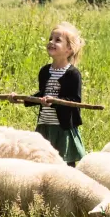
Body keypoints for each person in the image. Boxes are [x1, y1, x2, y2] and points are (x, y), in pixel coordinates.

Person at [10, 22, 88, 166]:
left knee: (65, 165)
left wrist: (55, 100)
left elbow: (74, 100)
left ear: (69, 49)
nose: (51, 42)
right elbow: (42, 95)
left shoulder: (73, 74)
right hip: (45, 124)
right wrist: (21, 99)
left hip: (62, 128)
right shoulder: (45, 71)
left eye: (57, 40)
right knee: (42, 162)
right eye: (50, 39)